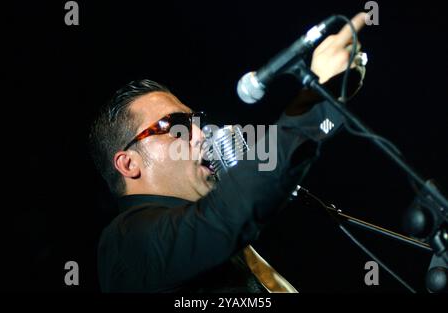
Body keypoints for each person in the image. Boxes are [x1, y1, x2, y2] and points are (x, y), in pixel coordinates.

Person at [89, 13, 367, 292]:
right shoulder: (124, 244)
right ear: (128, 163)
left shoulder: (214, 236)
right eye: (175, 126)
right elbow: (226, 214)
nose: (199, 134)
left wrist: (330, 105)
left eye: (196, 122)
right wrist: (314, 103)